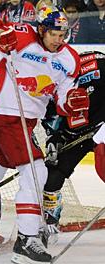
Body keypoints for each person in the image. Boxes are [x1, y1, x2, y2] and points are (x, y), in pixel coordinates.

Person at [0, 6, 88, 264]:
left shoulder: (70, 59)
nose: (60, 39)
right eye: (55, 34)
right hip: (3, 113)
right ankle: (26, 239)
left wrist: (72, 102)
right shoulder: (22, 36)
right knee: (36, 171)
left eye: (63, 34)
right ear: (42, 30)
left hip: (25, 120)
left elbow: (62, 100)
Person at [41, 51, 105, 242]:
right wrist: (54, 139)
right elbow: (49, 118)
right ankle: (49, 222)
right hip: (74, 134)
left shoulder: (99, 67)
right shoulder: (47, 82)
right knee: (52, 174)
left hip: (102, 128)